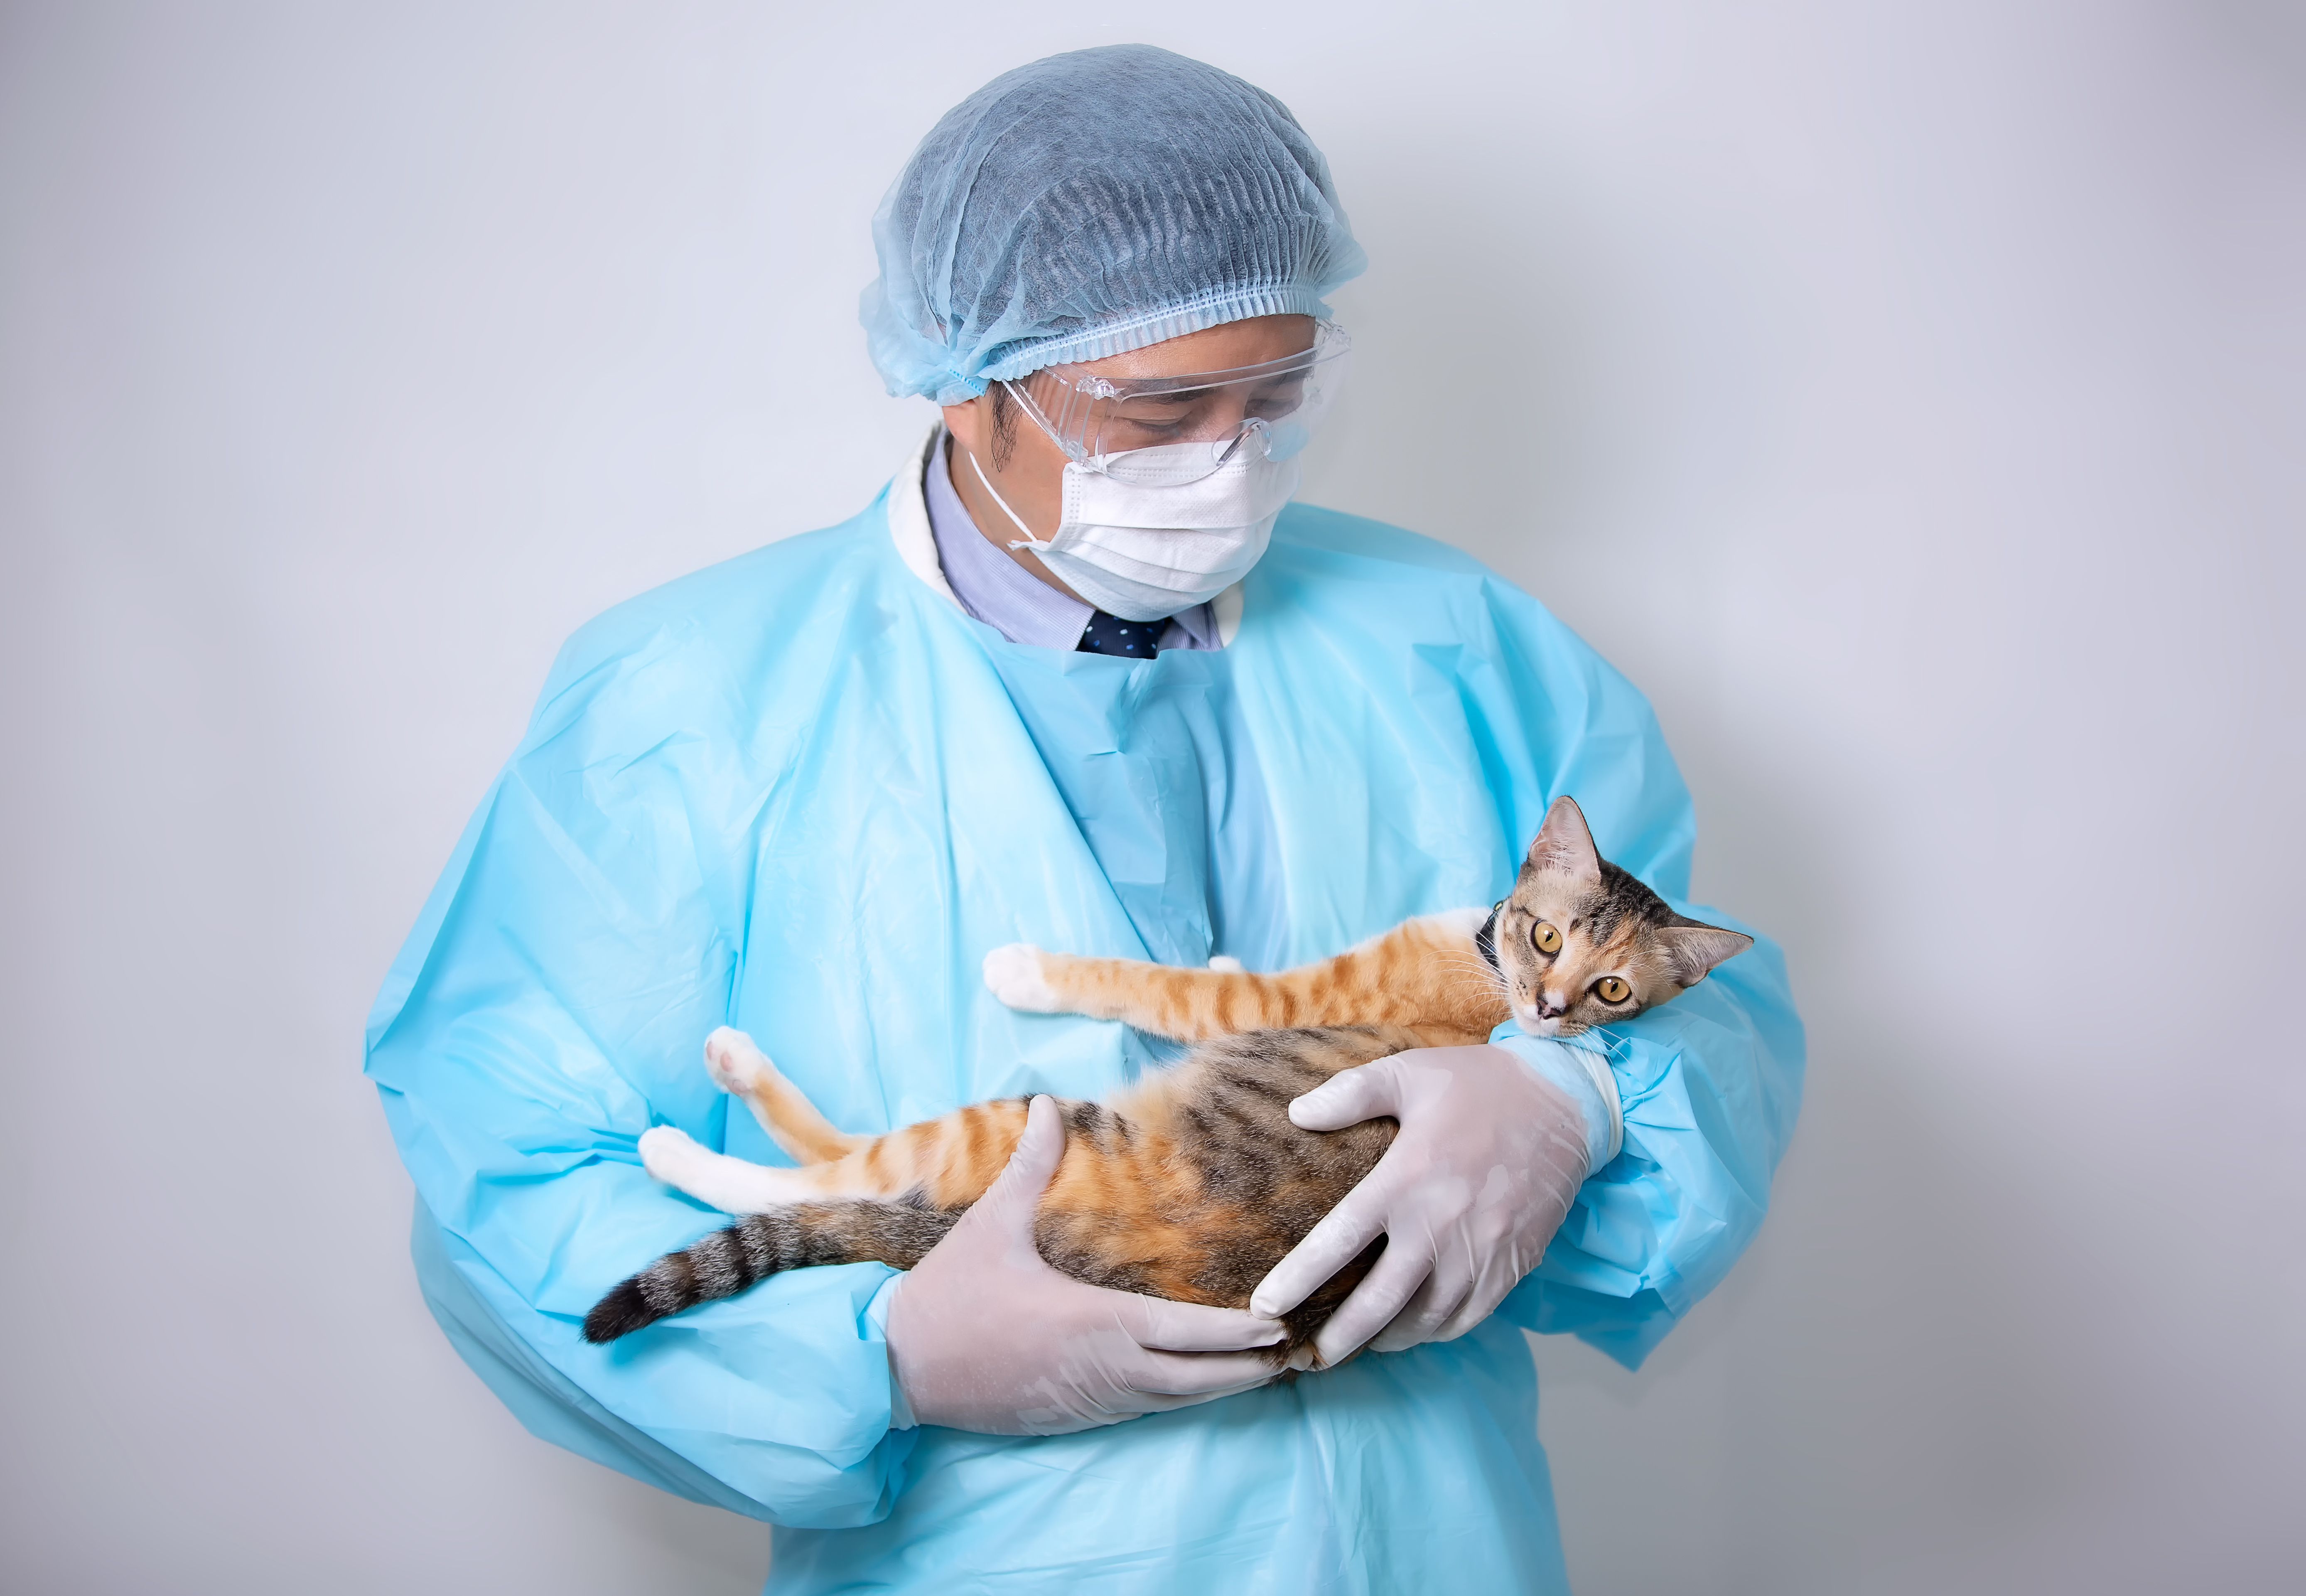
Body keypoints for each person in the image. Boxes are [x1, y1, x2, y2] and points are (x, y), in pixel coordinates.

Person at [367, 44, 1804, 1594]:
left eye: (1276, 398)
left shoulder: (1456, 644)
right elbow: (505, 1159)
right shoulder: (694, 703)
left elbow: (1701, 1002)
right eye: (1161, 408)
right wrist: (885, 1350)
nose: (1229, 462)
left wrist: (1577, 1106)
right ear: (968, 379)